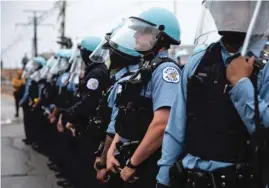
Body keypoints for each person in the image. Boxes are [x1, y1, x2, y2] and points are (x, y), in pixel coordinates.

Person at [157, 1, 269, 188]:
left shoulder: (265, 65)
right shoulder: (198, 62)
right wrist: (163, 178)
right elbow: (176, 128)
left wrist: (241, 85)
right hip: (192, 179)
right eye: (219, 7)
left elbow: (265, 131)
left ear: (256, 11)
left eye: (234, 5)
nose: (226, 12)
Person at [105, 7, 181, 188]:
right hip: (130, 158)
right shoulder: (144, 69)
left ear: (160, 36)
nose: (136, 36)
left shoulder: (166, 71)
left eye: (142, 32)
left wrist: (133, 164)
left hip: (146, 164)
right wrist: (111, 152)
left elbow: (162, 124)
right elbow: (126, 115)